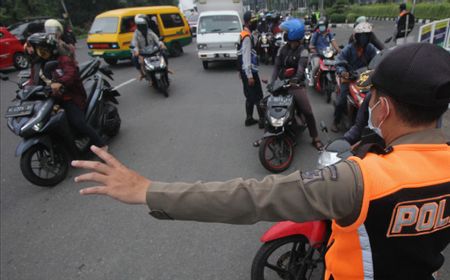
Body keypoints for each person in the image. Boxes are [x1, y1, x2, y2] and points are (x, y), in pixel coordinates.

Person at [73, 43, 450, 280]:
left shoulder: (360, 178)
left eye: (374, 99)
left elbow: (250, 197)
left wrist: (148, 191)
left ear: (381, 107)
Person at [30, 34, 108, 150]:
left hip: (69, 97)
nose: (41, 52)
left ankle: (101, 145)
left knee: (78, 122)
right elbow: (33, 81)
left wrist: (60, 82)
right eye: (38, 50)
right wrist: (25, 90)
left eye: (43, 49)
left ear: (50, 48)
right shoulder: (37, 65)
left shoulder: (64, 60)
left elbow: (71, 75)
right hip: (48, 99)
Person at [268, 18, 324, 150]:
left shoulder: (303, 51)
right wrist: (272, 82)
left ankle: (315, 137)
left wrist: (294, 81)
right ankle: (268, 131)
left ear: (293, 34)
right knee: (267, 105)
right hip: (281, 83)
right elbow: (276, 67)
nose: (284, 34)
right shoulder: (282, 49)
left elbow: (299, 71)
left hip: (295, 85)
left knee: (307, 111)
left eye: (286, 32)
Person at [331, 22, 378, 133]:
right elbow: (339, 62)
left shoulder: (371, 48)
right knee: (341, 100)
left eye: (366, 36)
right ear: (356, 36)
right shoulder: (349, 48)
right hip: (349, 78)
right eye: (362, 36)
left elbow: (376, 61)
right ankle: (335, 121)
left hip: (366, 78)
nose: (364, 38)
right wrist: (343, 72)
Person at [238, 11, 264, 128]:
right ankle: (263, 121)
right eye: (254, 22)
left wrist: (240, 71)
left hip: (244, 70)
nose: (256, 24)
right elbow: (246, 57)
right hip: (250, 72)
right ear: (248, 22)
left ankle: (249, 118)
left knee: (249, 96)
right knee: (258, 96)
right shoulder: (247, 37)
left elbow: (239, 54)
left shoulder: (243, 33)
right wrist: (249, 76)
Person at [131, 14, 166, 81]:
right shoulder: (136, 34)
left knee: (164, 53)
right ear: (138, 25)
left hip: (153, 50)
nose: (144, 26)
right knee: (134, 58)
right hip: (142, 52)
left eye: (145, 24)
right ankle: (142, 73)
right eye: (142, 25)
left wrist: (161, 44)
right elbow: (134, 44)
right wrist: (136, 51)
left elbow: (157, 39)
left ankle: (166, 68)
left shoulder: (150, 32)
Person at [309, 17, 341, 87]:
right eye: (320, 26)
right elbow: (311, 45)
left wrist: (339, 50)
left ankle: (335, 80)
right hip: (317, 54)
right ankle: (311, 79)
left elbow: (334, 42)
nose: (321, 27)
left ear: (326, 26)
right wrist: (312, 49)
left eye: (323, 26)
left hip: (327, 53)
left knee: (336, 65)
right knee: (317, 66)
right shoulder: (316, 34)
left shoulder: (329, 34)